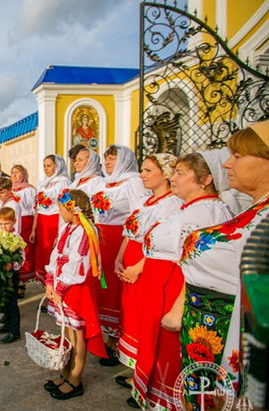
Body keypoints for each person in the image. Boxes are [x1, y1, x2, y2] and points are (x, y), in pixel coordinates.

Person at [173, 124, 269, 409]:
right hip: (207, 328)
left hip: (228, 329)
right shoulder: (255, 210)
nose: (227, 163)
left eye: (237, 156)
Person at [130, 151, 233, 410]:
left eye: (180, 173)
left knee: (169, 353)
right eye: (173, 172)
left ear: (205, 179)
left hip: (173, 287)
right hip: (160, 284)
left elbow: (197, 264)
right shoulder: (191, 208)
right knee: (156, 348)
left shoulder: (206, 211)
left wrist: (178, 308)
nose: (172, 178)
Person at [113, 154, 181, 392]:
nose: (141, 174)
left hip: (146, 266)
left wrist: (138, 267)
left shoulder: (172, 203)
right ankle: (137, 371)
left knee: (146, 320)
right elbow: (129, 233)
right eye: (141, 169)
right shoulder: (144, 201)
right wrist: (119, 258)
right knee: (132, 317)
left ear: (165, 174)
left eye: (148, 170)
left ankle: (147, 377)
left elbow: (162, 243)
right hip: (129, 263)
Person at [43, 190, 108, 400]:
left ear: (72, 209)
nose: (59, 212)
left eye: (62, 208)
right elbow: (56, 255)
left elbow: (77, 262)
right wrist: (50, 281)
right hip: (63, 284)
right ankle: (66, 371)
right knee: (68, 332)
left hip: (75, 288)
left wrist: (60, 288)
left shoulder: (85, 230)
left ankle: (76, 378)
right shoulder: (68, 227)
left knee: (78, 334)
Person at [91, 145, 148, 364]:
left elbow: (139, 215)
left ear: (124, 160)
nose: (107, 163)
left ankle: (116, 340)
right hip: (102, 237)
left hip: (119, 238)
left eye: (112, 158)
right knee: (103, 287)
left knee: (116, 290)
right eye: (106, 159)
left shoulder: (133, 182)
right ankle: (107, 334)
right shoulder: (105, 182)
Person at [31, 155, 71, 284]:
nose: (46, 169)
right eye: (44, 166)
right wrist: (34, 229)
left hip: (55, 221)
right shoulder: (43, 183)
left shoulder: (63, 182)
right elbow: (38, 208)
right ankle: (46, 289)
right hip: (42, 223)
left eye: (49, 166)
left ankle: (54, 288)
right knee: (43, 254)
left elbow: (66, 207)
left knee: (52, 254)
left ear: (57, 166)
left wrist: (61, 232)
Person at [0, 207, 24, 344]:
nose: (4, 227)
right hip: (1, 274)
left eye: (7, 223)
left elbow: (22, 257)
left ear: (14, 222)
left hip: (11, 275)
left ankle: (15, 331)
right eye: (1, 224)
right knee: (4, 300)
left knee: (12, 302)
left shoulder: (17, 238)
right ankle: (7, 325)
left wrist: (13, 265)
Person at [10, 164, 37, 283]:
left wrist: (33, 230)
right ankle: (13, 278)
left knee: (24, 251)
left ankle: (23, 282)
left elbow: (36, 211)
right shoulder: (8, 190)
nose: (14, 175)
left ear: (24, 174)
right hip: (11, 224)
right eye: (12, 172)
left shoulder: (30, 190)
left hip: (26, 224)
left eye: (17, 172)